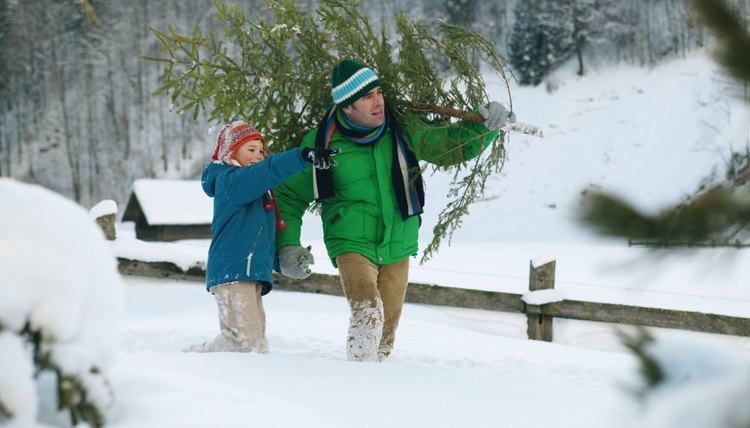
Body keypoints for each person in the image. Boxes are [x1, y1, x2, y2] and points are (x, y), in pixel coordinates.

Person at [274, 59, 516, 362]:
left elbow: (448, 146)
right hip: (351, 240)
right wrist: (287, 245)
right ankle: (358, 376)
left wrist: (484, 128)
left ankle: (376, 388)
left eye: (378, 92)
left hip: (399, 239)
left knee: (385, 335)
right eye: (367, 97)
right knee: (368, 312)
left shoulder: (402, 128)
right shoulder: (320, 143)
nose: (378, 102)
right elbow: (288, 194)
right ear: (347, 108)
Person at [186, 120, 337, 353]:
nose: (258, 156)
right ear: (231, 152)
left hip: (249, 272)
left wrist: (281, 260)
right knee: (243, 340)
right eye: (251, 150)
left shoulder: (257, 193)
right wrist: (302, 156)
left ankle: (246, 378)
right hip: (232, 270)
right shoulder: (231, 181)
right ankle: (200, 357)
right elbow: (267, 172)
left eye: (261, 150)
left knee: (255, 342)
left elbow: (259, 238)